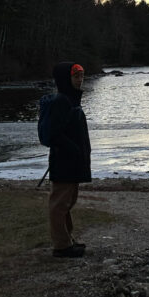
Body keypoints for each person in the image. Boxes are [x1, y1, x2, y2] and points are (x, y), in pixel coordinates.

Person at [41, 62, 92, 258]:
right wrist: (74, 149)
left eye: (81, 75)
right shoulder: (62, 101)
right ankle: (61, 246)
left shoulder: (71, 99)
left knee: (68, 202)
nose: (80, 80)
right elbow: (55, 134)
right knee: (59, 204)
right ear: (65, 79)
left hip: (72, 161)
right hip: (64, 161)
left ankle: (67, 239)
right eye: (75, 76)